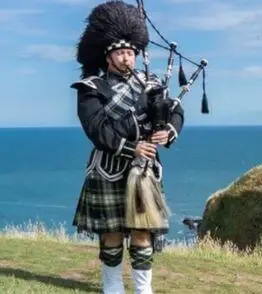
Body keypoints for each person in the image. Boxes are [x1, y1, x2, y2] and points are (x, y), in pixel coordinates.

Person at [70, 1, 184, 293]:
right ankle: (112, 288)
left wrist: (169, 130)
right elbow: (96, 130)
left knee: (142, 232)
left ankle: (143, 289)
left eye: (131, 53)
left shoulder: (151, 83)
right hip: (107, 169)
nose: (127, 59)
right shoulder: (91, 87)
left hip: (144, 170)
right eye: (120, 53)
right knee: (110, 233)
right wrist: (132, 146)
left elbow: (175, 110)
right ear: (108, 56)